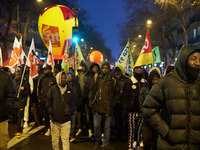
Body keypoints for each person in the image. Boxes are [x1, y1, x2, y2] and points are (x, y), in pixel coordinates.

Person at [143, 45, 200, 149]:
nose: (198, 63)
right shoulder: (166, 82)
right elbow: (148, 109)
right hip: (170, 146)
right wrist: (166, 131)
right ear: (184, 60)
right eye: (194, 59)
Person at [90, 61, 120, 150]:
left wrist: (113, 104)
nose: (104, 70)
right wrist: (92, 102)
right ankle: (98, 140)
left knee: (107, 128)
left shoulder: (113, 79)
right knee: (96, 126)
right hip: (97, 105)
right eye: (103, 68)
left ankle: (105, 145)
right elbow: (93, 91)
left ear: (109, 69)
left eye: (106, 68)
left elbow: (117, 93)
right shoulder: (96, 77)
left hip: (108, 107)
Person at [46, 71, 75, 150]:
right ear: (58, 78)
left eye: (65, 78)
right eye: (62, 78)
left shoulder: (70, 90)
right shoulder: (53, 89)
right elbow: (48, 102)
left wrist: (70, 111)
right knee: (55, 141)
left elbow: (73, 103)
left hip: (66, 121)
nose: (64, 79)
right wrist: (52, 112)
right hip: (54, 121)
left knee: (65, 141)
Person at [123, 66, 147, 150]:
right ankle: (130, 144)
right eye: (138, 73)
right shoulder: (129, 82)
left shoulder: (144, 83)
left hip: (141, 110)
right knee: (131, 129)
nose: (139, 75)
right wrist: (125, 109)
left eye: (141, 73)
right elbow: (125, 97)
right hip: (131, 110)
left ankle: (139, 141)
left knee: (140, 128)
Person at [139, 67, 161, 150]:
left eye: (157, 79)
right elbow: (141, 102)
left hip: (157, 118)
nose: (155, 81)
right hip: (147, 117)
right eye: (153, 79)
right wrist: (144, 113)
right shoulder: (144, 89)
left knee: (156, 139)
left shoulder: (161, 89)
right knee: (146, 139)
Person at [37, 65, 56, 136]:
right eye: (45, 70)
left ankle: (51, 129)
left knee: (51, 114)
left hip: (51, 100)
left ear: (50, 70)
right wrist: (39, 97)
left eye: (47, 69)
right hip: (43, 99)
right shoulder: (42, 78)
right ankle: (47, 128)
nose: (45, 71)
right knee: (45, 115)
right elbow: (39, 88)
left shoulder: (53, 78)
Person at [76, 61, 93, 137]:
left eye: (84, 66)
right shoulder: (81, 75)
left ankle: (89, 129)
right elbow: (80, 86)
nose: (83, 68)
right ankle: (80, 128)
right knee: (80, 114)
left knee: (88, 114)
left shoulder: (90, 75)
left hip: (88, 98)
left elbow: (91, 87)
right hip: (81, 97)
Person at [0, 70, 17, 149]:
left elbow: (11, 96)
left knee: (2, 145)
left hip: (1, 119)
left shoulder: (5, 77)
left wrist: (4, 112)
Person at [113, 66, 130, 140]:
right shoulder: (112, 80)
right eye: (116, 74)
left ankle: (126, 134)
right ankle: (119, 134)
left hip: (124, 102)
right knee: (118, 119)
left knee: (125, 119)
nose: (117, 76)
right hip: (116, 103)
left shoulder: (126, 80)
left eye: (118, 74)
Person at [13, 70, 31, 138]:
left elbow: (28, 92)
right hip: (15, 102)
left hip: (22, 102)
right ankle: (17, 128)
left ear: (21, 75)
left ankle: (19, 130)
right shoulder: (14, 82)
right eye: (16, 75)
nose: (17, 76)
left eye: (18, 75)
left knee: (20, 117)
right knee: (16, 117)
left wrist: (21, 92)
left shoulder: (25, 83)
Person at [67, 71, 82, 143]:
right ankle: (66, 135)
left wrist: (78, 105)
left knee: (73, 122)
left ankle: (72, 136)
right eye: (68, 76)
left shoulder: (76, 85)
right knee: (67, 122)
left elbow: (79, 96)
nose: (69, 77)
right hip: (67, 107)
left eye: (70, 76)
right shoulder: (65, 85)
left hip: (74, 106)